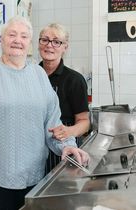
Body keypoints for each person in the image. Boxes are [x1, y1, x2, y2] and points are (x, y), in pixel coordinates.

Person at [0, 16, 90, 210]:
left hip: (34, 175)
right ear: (2, 40)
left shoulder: (39, 75)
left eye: (24, 36)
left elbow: (52, 123)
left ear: (29, 43)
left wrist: (66, 146)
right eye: (12, 34)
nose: (17, 40)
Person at [38, 23, 90, 173]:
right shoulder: (31, 75)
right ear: (39, 43)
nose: (49, 45)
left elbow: (84, 122)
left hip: (64, 147)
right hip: (36, 148)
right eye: (45, 40)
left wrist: (69, 131)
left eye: (56, 42)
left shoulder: (74, 80)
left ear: (65, 47)